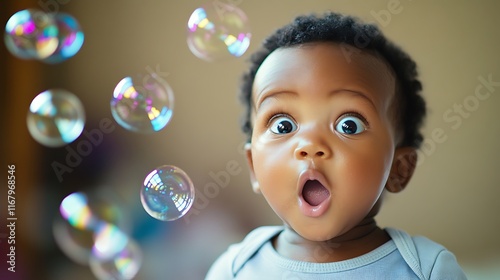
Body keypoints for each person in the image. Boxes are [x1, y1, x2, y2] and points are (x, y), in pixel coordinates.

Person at [205, 11, 467, 279]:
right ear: (253, 167)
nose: (310, 145)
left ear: (398, 169)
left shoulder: (426, 269)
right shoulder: (235, 268)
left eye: (348, 125)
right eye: (283, 125)